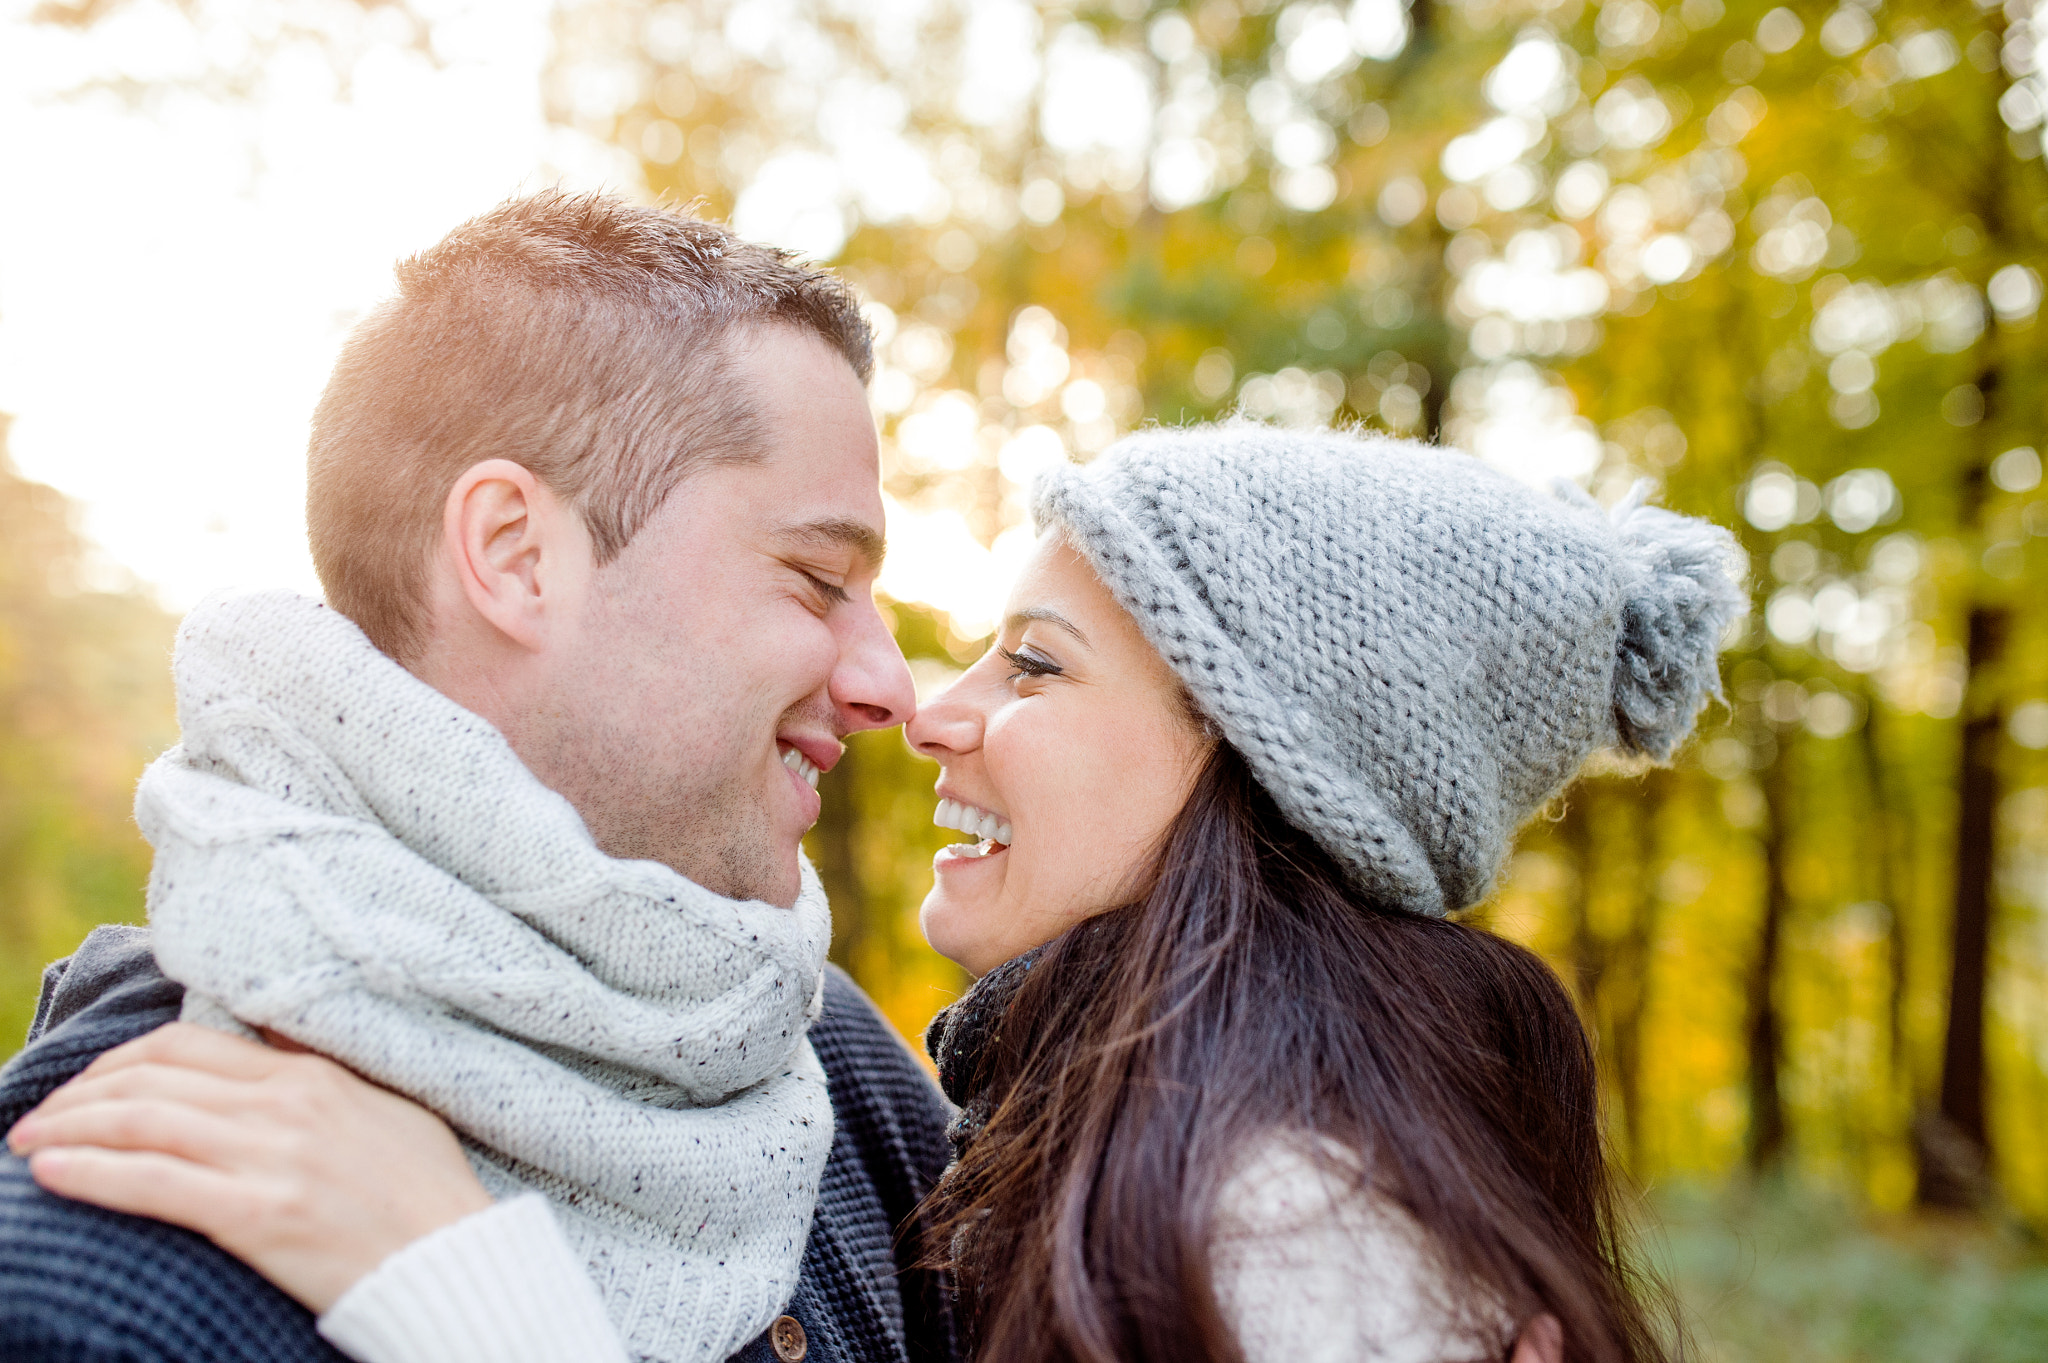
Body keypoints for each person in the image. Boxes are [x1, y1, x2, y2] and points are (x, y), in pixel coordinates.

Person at [13, 420, 1744, 1362]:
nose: (933, 703)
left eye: (1037, 666)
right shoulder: (1053, 1128)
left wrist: (472, 1296)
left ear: (1259, 766)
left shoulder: (1289, 1238)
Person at [0, 191, 959, 1363]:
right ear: (514, 554)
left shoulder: (831, 1063)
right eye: (815, 579)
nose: (890, 688)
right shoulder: (96, 1290)